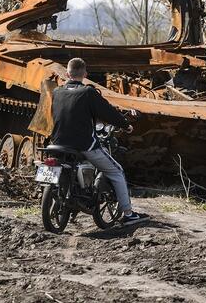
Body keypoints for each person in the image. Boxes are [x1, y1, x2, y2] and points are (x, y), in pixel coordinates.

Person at [50, 57, 149, 226]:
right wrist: (126, 126)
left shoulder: (57, 92)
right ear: (85, 74)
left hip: (57, 144)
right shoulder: (88, 92)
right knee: (117, 171)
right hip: (84, 145)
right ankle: (129, 214)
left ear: (67, 73)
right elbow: (108, 113)